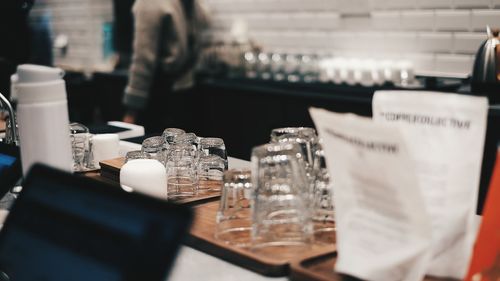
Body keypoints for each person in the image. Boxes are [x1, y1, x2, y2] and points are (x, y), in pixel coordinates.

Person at [122, 0, 210, 133]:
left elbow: (144, 58)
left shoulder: (150, 3)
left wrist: (131, 111)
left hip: (159, 97)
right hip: (188, 92)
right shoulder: (190, 4)